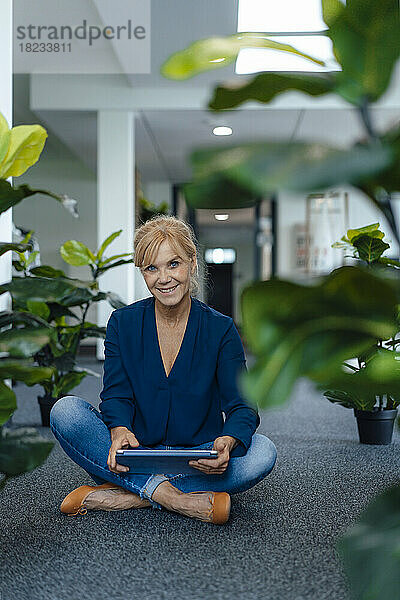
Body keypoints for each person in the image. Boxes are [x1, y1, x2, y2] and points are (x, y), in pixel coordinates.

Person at [50, 215, 277, 524]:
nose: (163, 278)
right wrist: (118, 430)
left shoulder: (220, 329)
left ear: (192, 263)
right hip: (136, 452)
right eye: (151, 268)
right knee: (65, 411)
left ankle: (132, 494)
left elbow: (242, 406)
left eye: (173, 264)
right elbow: (116, 395)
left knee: (262, 453)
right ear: (143, 272)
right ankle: (174, 497)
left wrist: (227, 442)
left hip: (198, 456)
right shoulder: (122, 323)